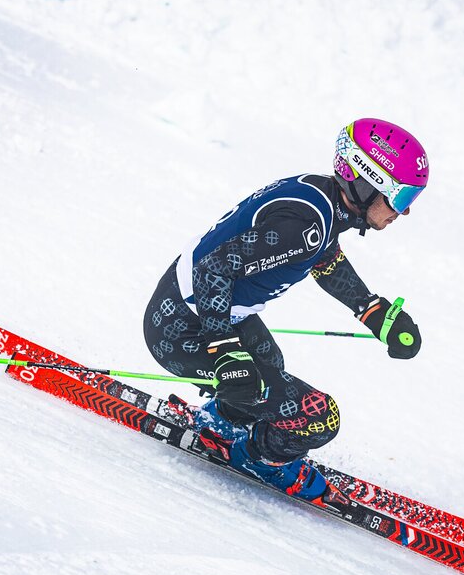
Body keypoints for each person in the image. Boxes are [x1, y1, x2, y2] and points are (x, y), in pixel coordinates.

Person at [143, 118, 428, 502]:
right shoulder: (304, 224)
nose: (403, 213)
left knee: (268, 363)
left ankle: (223, 423)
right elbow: (213, 268)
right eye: (401, 199)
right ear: (365, 184)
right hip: (181, 332)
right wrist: (224, 351)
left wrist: (372, 310)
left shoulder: (321, 204)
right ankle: (258, 459)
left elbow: (324, 258)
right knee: (319, 419)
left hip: (204, 313)